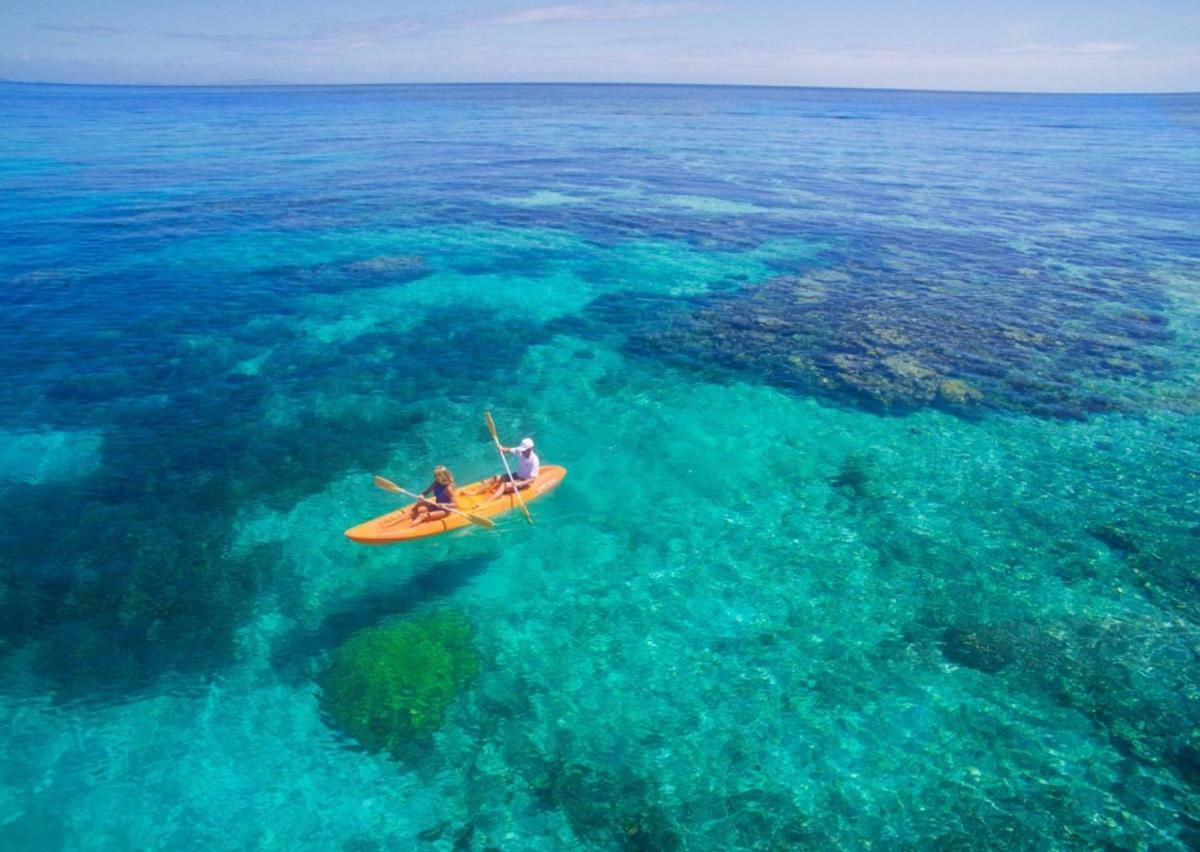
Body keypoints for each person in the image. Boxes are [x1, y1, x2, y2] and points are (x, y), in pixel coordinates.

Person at [485, 437, 540, 503]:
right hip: (517, 475)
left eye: (524, 450)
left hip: (524, 481)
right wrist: (502, 449)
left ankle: (488, 502)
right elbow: (509, 450)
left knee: (504, 485)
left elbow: (532, 479)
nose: (522, 452)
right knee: (497, 477)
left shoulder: (534, 460)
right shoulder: (521, 451)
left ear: (530, 449)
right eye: (522, 450)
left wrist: (520, 484)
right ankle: (484, 491)